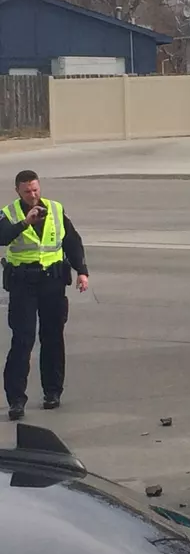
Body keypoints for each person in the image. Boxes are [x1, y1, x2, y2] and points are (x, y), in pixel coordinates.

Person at [1, 170, 88, 422]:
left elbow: (72, 241)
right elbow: (1, 237)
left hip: (52, 282)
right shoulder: (9, 214)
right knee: (23, 339)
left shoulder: (56, 209)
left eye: (36, 189)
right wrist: (25, 223)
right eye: (27, 191)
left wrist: (82, 271)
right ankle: (16, 399)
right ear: (17, 191)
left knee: (52, 337)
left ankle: (52, 392)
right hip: (23, 285)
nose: (33, 195)